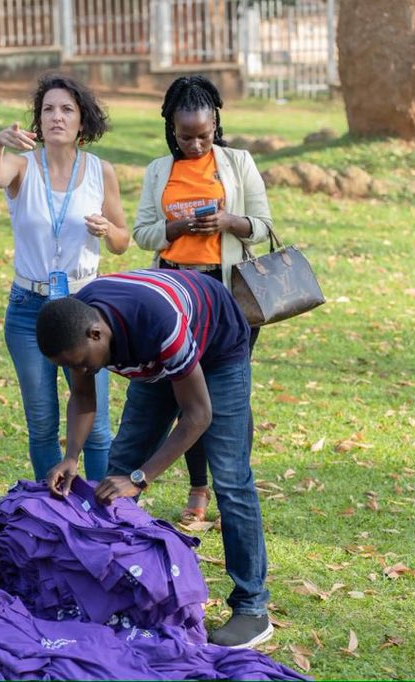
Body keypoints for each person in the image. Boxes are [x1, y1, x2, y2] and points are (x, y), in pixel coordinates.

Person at [37, 268, 272, 650]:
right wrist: (71, 456)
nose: (81, 370)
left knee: (230, 477)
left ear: (96, 334)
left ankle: (252, 607)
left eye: (82, 362)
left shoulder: (158, 323)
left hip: (216, 348)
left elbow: (197, 416)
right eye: (72, 366)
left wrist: (141, 477)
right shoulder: (78, 332)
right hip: (155, 364)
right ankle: (114, 584)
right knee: (121, 462)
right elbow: (82, 396)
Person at [132, 75, 272, 524]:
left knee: (230, 393)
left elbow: (265, 226)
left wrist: (230, 221)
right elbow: (141, 234)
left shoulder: (238, 162)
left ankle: (237, 479)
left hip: (229, 297)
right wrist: (175, 229)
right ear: (170, 129)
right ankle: (197, 488)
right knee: (185, 391)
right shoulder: (159, 170)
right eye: (185, 136)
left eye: (204, 135)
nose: (194, 145)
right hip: (175, 294)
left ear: (217, 126)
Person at [0, 73, 129, 484]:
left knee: (96, 428)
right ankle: (55, 517)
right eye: (48, 109)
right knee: (42, 424)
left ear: (83, 120)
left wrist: (107, 230)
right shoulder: (21, 166)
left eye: (67, 109)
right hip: (29, 310)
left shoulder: (101, 172)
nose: (56, 117)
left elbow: (122, 241)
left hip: (85, 310)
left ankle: (103, 517)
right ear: (38, 119)